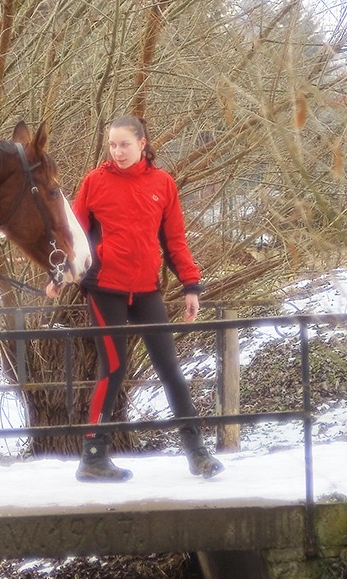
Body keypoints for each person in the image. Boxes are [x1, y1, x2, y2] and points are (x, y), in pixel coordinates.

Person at [46, 115, 224, 482]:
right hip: (103, 287)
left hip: (146, 290)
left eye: (124, 144)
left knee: (170, 368)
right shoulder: (95, 182)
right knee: (113, 367)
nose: (118, 151)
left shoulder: (163, 184)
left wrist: (191, 285)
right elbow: (73, 236)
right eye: (112, 145)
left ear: (142, 143)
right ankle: (93, 458)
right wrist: (60, 275)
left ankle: (197, 453)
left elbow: (175, 242)